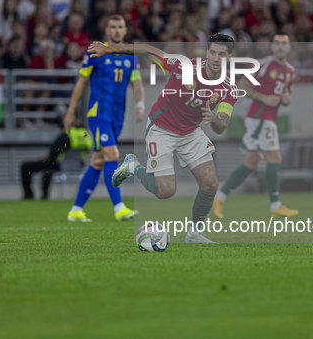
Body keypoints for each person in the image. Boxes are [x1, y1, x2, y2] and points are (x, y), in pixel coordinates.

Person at [93, 33, 240, 244]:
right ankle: (133, 166)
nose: (216, 58)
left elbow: (221, 126)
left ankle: (194, 234)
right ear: (207, 53)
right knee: (166, 191)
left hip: (190, 131)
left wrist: (215, 119)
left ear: (229, 57)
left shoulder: (229, 87)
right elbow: (149, 50)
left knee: (210, 184)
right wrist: (109, 49)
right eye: (213, 53)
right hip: (161, 127)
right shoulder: (184, 67)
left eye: (222, 54)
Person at [63, 15, 144, 223]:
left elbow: (136, 84)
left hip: (117, 116)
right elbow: (81, 83)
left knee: (98, 161)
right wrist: (71, 111)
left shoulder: (130, 56)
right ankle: (119, 207)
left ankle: (76, 209)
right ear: (107, 30)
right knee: (112, 154)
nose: (117, 30)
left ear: (125, 31)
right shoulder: (95, 52)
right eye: (113, 27)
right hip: (98, 113)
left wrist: (140, 104)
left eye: (120, 27)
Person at [212, 33, 299, 219]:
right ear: (272, 47)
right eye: (277, 43)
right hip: (259, 117)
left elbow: (288, 96)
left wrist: (286, 99)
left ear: (289, 47)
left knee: (251, 163)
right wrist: (264, 98)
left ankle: (219, 197)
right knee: (274, 158)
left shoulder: (290, 70)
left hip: (269, 118)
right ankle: (275, 205)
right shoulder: (262, 65)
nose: (281, 47)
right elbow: (242, 87)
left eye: (284, 44)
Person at [21, 126, 93, 201]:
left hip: (60, 164)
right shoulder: (85, 135)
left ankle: (29, 195)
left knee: (26, 166)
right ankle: (44, 195)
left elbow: (53, 153)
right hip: (78, 165)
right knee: (48, 167)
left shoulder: (66, 134)